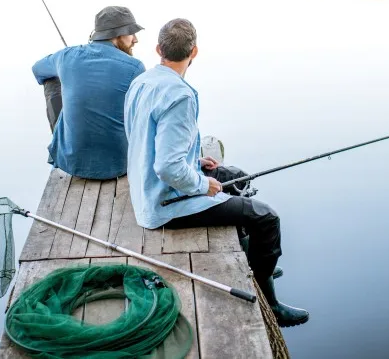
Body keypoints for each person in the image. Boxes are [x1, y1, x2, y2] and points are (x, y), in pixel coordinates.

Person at [123, 18, 309, 327]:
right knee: (266, 218)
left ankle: (256, 261)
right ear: (194, 52)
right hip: (165, 204)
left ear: (158, 49)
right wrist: (200, 184)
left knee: (238, 175)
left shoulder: (143, 81)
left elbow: (151, 141)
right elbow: (167, 167)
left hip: (147, 188)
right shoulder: (179, 95)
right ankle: (271, 304)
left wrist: (195, 161)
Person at [32, 6, 145, 180]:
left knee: (51, 79)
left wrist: (69, 74)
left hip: (72, 162)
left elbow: (38, 69)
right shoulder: (135, 67)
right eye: (131, 33)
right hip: (120, 164)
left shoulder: (66, 56)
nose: (135, 39)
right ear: (118, 35)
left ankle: (63, 140)